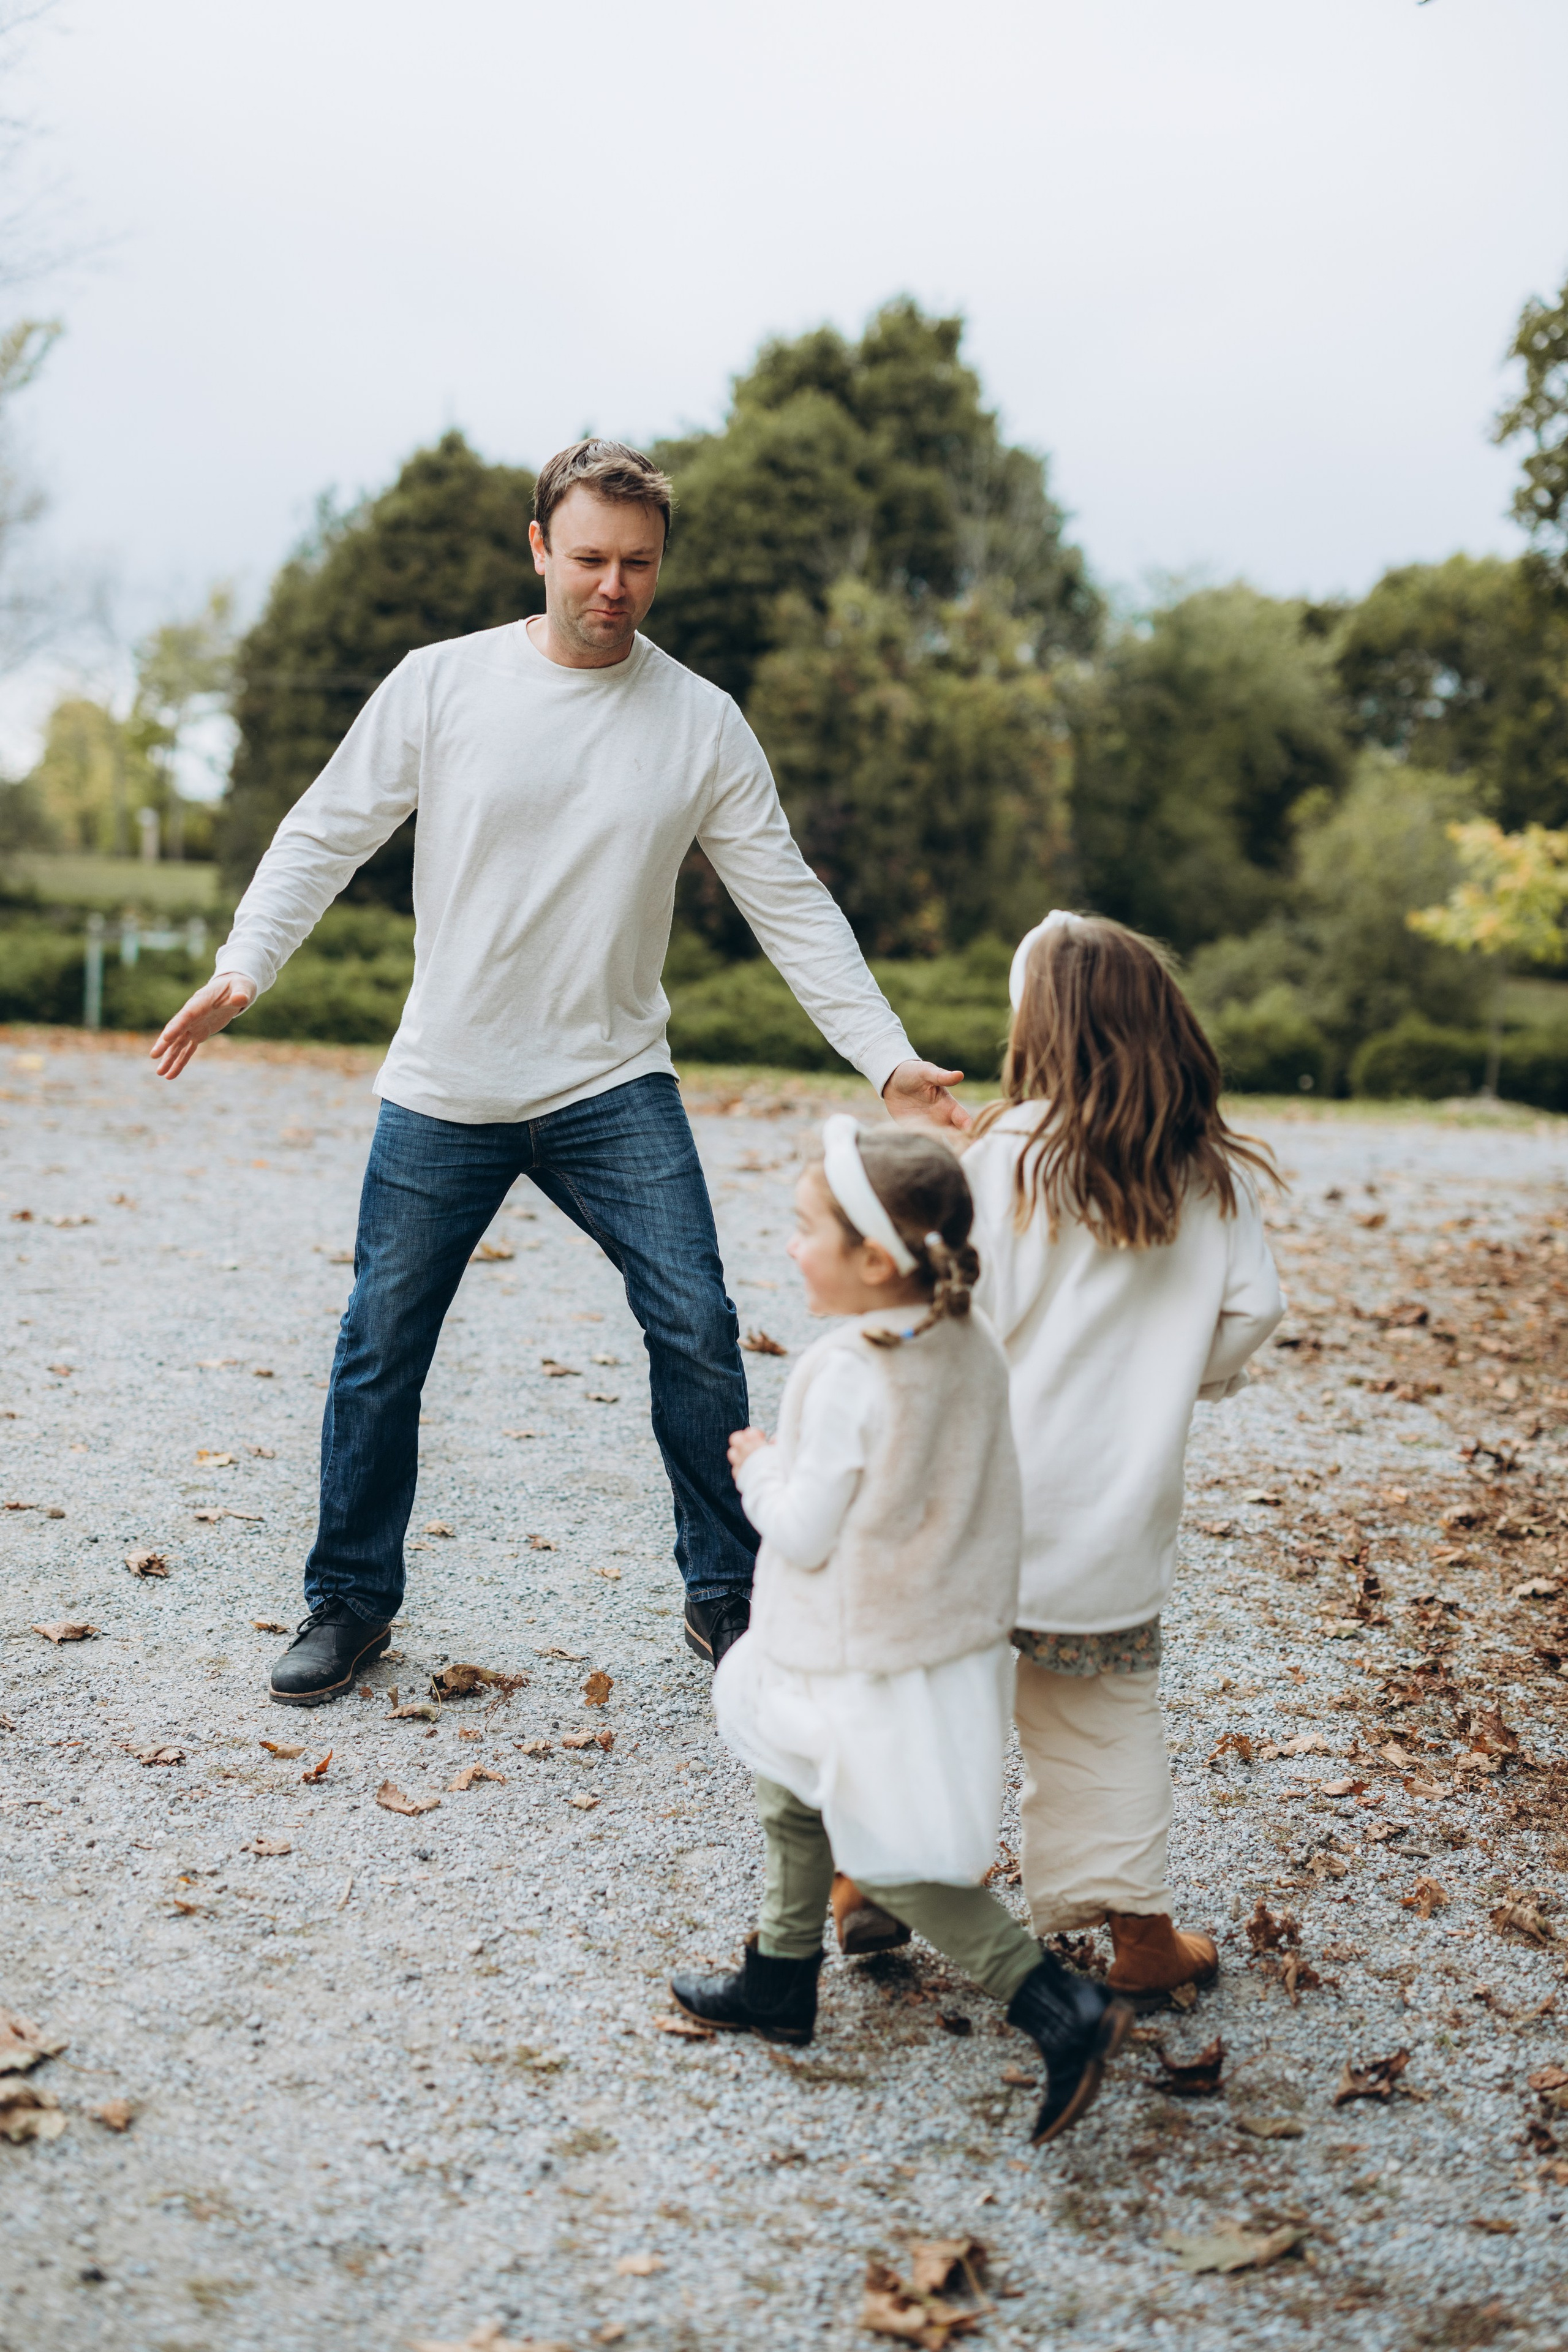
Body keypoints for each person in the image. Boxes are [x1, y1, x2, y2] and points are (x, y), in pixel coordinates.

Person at [148, 439, 968, 1707]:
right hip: (444, 1084)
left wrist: (886, 1059)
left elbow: (788, 902)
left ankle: (729, 1597)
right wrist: (247, 960)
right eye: (587, 559)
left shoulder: (699, 721)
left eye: (637, 564)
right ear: (538, 547)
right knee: (379, 1346)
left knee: (694, 1324)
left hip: (609, 1081)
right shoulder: (440, 686)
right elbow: (324, 828)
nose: (612, 586)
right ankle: (348, 1602)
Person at [669, 1118, 1131, 2146]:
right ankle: (780, 1982)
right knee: (793, 1799)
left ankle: (1056, 2003)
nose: (790, 1246)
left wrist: (758, 1466)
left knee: (883, 1849)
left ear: (874, 1260)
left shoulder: (847, 1370)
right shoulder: (966, 1339)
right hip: (938, 1634)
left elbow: (800, 1524)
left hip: (851, 1648)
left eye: (804, 1231)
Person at [960, 911, 1282, 2004]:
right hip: (1109, 1532)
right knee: (1103, 1718)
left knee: (938, 1700)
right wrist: (1179, 1371)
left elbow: (946, 1310)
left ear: (1035, 1027)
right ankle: (1141, 1935)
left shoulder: (1003, 1156)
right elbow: (1252, 1312)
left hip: (978, 1515)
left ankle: (877, 1874)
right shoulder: (1204, 1174)